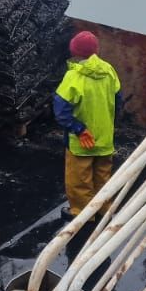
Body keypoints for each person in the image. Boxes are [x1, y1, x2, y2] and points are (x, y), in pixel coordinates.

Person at [53, 31, 122, 216]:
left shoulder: (74, 77)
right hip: (105, 137)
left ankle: (82, 215)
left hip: (82, 141)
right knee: (103, 177)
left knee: (79, 181)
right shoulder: (109, 70)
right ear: (96, 50)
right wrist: (112, 125)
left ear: (75, 52)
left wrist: (79, 129)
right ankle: (104, 209)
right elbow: (118, 100)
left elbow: (61, 111)